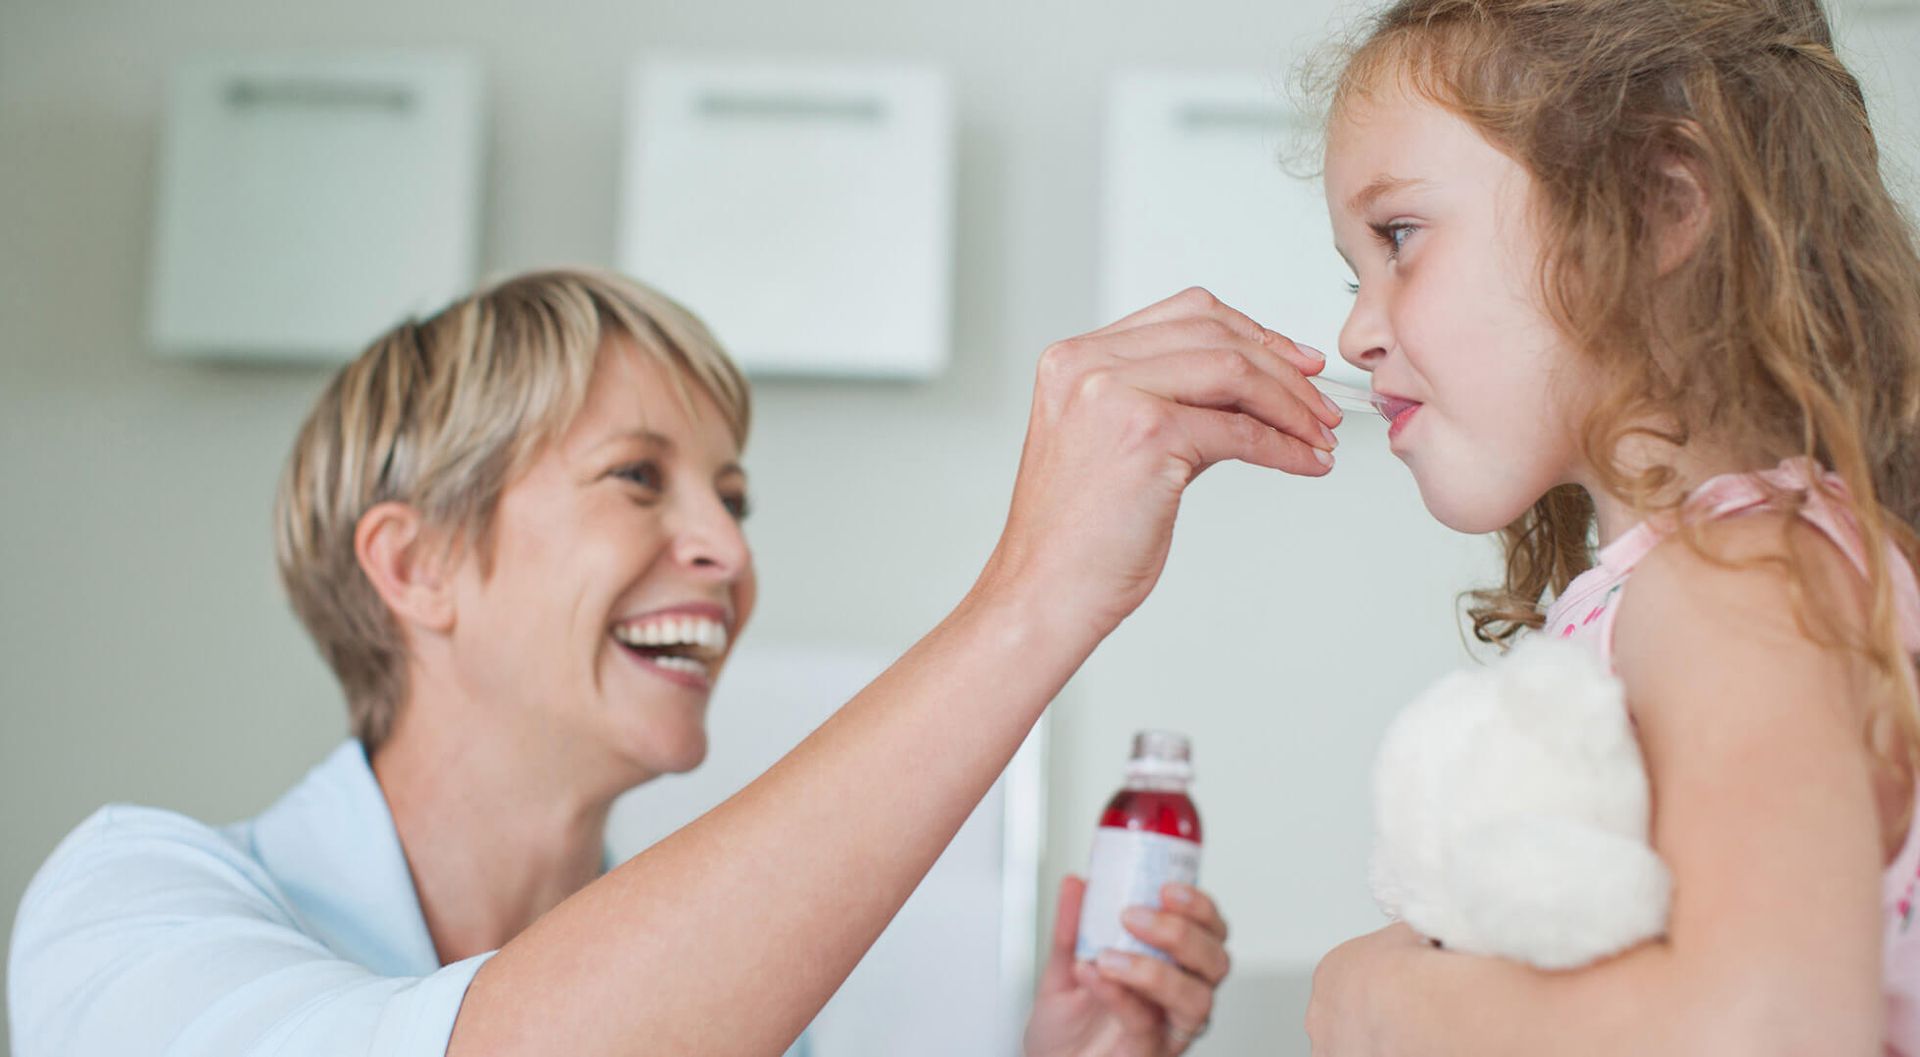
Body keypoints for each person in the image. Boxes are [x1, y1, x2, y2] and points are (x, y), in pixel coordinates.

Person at [9, 269, 1344, 1056]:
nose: (723, 548)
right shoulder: (129, 915)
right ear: (416, 565)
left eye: (736, 498)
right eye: (638, 478)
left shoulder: (757, 1016)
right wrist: (1033, 595)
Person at [1300, 0, 1920, 1053]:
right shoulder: (1717, 576)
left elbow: (1770, 1026)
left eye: (1400, 237)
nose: (1357, 328)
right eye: (1352, 273)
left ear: (1656, 209)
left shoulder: (1739, 579)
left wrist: (1362, 999)